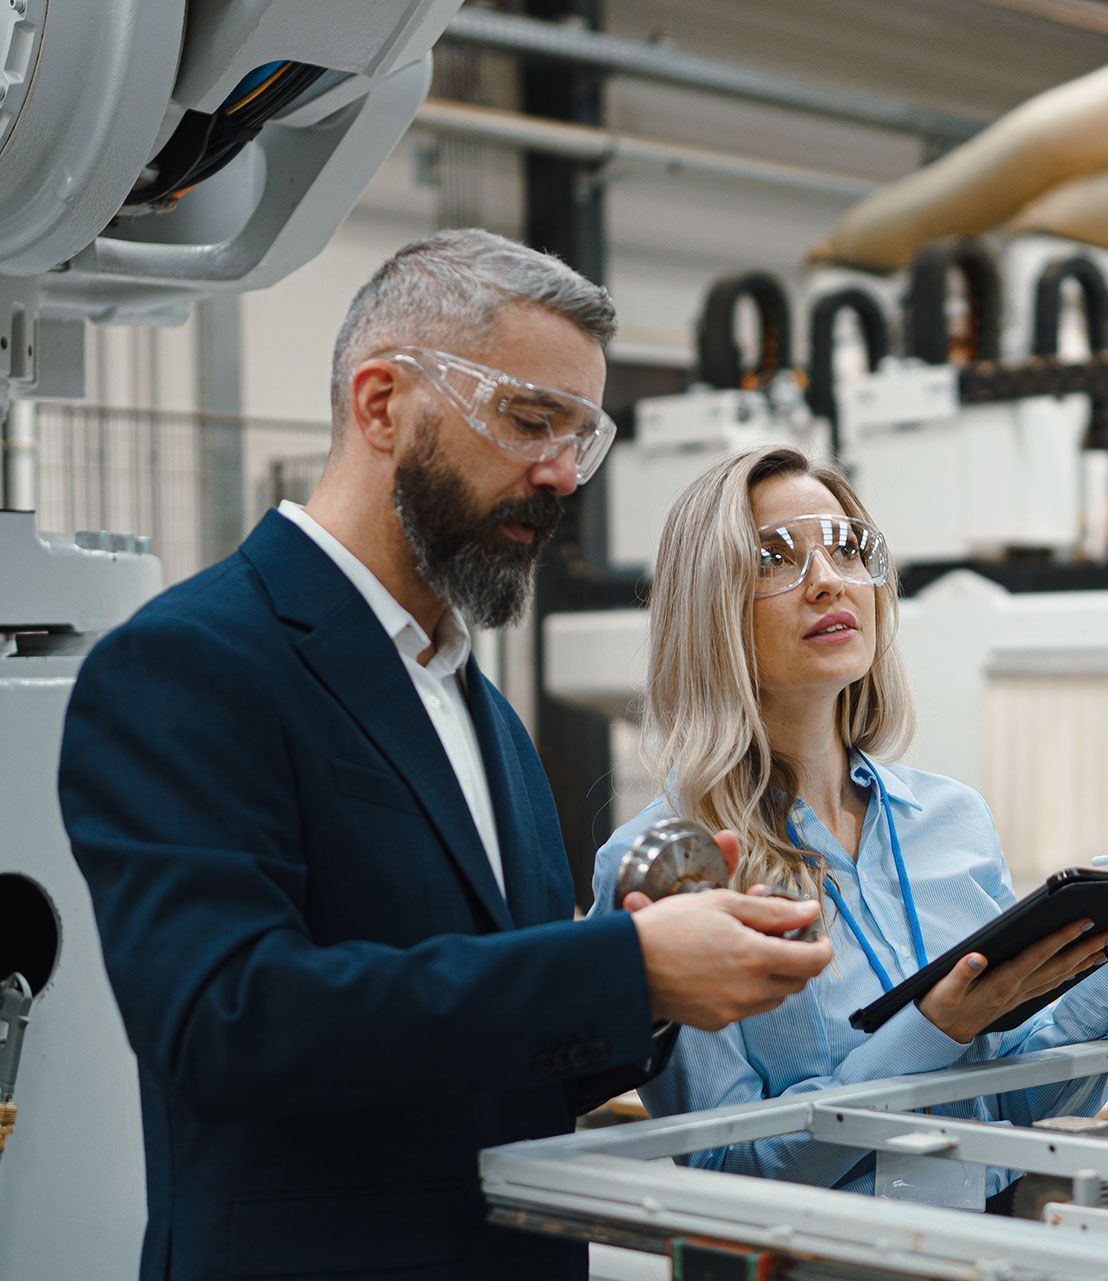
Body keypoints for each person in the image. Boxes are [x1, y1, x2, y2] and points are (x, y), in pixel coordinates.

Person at [58, 230, 832, 1281]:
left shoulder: (480, 712)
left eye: (580, 437)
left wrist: (648, 991)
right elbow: (226, 1022)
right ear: (382, 405)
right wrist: (619, 966)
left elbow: (498, 1061)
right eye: (529, 421)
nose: (561, 475)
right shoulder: (188, 663)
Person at [588, 445, 1108, 1203]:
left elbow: (1021, 1106)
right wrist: (931, 1029)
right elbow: (730, 1169)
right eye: (776, 557)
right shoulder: (673, 866)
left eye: (847, 548)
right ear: (709, 606)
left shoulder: (952, 821)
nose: (827, 580)